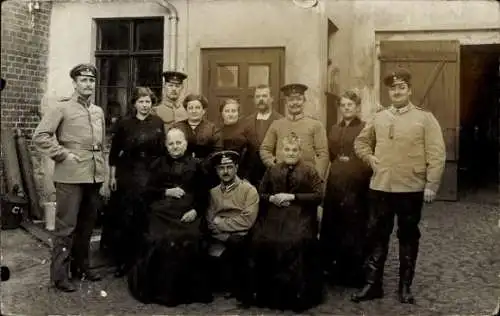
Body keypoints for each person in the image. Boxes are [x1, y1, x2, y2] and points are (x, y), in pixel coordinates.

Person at [352, 68, 446, 304]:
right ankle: (373, 285)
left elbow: (437, 154)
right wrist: (369, 158)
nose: (397, 91)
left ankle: (405, 287)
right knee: (377, 236)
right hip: (381, 186)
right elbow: (361, 142)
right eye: (393, 88)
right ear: (389, 91)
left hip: (411, 187)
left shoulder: (425, 118)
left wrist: (431, 185)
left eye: (401, 87)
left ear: (409, 90)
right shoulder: (379, 117)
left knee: (408, 236)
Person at [33, 63, 106, 292]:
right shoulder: (61, 108)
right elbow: (41, 136)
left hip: (94, 175)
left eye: (91, 80)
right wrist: (63, 154)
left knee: (87, 225)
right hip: (70, 175)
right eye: (83, 80)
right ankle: (59, 275)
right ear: (74, 83)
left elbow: (100, 144)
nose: (87, 84)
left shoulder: (97, 111)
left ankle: (82, 267)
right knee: (66, 227)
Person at [127, 128, 212, 306]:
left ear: (186, 144)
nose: (175, 147)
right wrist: (166, 191)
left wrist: (196, 211)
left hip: (187, 212)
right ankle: (162, 292)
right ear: (166, 146)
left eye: (179, 143)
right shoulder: (157, 164)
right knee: (160, 240)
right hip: (162, 212)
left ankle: (188, 292)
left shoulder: (197, 165)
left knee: (188, 239)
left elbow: (204, 194)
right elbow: (146, 191)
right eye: (171, 143)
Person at [241, 132, 324, 312]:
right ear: (281, 152)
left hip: (300, 214)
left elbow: (319, 195)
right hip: (275, 214)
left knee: (293, 241)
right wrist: (272, 198)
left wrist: (293, 196)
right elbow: (260, 193)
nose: (291, 153)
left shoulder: (309, 170)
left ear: (300, 152)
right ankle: (266, 295)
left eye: (295, 150)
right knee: (260, 240)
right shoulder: (273, 170)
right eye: (287, 149)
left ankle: (295, 297)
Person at [100, 87, 166, 277]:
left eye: (148, 102)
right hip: (128, 176)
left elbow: (162, 152)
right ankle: (124, 263)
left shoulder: (158, 123)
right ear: (134, 104)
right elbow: (114, 152)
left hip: (151, 176)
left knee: (146, 220)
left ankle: (145, 263)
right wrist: (112, 177)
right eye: (141, 102)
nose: (145, 105)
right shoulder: (125, 123)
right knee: (126, 220)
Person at [319, 90, 372, 287]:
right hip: (336, 181)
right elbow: (331, 154)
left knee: (354, 227)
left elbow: (367, 154)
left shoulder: (365, 128)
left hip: (357, 183)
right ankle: (335, 270)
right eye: (343, 105)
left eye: (350, 105)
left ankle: (355, 273)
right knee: (335, 225)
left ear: (357, 107)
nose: (347, 108)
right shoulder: (333, 128)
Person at [205, 150, 259, 297]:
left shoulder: (249, 190)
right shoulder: (212, 193)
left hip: (242, 235)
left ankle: (241, 289)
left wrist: (221, 223)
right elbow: (209, 221)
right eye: (221, 168)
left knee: (240, 246)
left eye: (229, 167)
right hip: (221, 238)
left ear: (236, 167)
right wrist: (225, 237)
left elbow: (247, 220)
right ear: (216, 171)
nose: (225, 171)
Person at [260, 83, 329, 181]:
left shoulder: (316, 125)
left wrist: (317, 177)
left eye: (299, 99)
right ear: (286, 102)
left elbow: (323, 154)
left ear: (304, 101)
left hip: (306, 179)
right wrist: (274, 166)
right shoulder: (277, 124)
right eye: (291, 100)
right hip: (281, 178)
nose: (295, 103)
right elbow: (265, 149)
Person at [240, 84, 283, 187]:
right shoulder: (246, 122)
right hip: (251, 177)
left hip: (274, 174)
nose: (261, 99)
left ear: (272, 98)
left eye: (264, 96)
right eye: (258, 96)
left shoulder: (280, 120)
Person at [218, 99, 249, 179]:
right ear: (222, 113)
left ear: (238, 113)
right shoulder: (217, 131)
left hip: (242, 172)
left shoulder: (246, 131)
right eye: (227, 111)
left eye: (233, 111)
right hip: (221, 171)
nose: (230, 114)